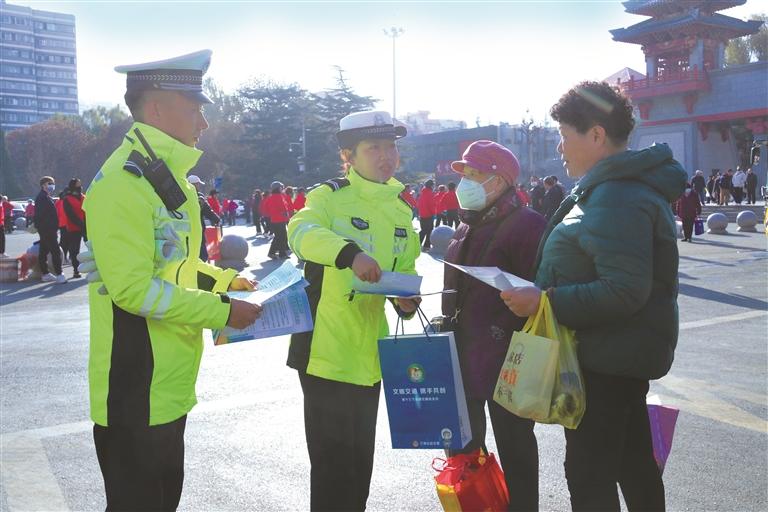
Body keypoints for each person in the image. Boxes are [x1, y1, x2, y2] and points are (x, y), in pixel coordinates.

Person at [82, 49, 262, 511]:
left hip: (169, 385)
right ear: (157, 107)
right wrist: (222, 311)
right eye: (195, 108)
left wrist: (226, 281)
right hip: (135, 387)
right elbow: (133, 290)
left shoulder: (167, 178)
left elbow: (176, 265)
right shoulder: (123, 184)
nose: (203, 123)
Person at [500, 81, 686, 512]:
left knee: (590, 476)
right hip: (614, 357)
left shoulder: (617, 196)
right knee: (633, 465)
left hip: (606, 363)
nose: (560, 148)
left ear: (597, 135)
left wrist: (544, 301)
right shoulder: (610, 190)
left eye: (565, 136)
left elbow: (624, 290)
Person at [286, 110, 421, 512]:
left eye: (391, 146)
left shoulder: (400, 210)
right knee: (330, 468)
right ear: (349, 154)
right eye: (374, 147)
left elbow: (406, 269)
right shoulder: (328, 196)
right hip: (326, 353)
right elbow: (301, 232)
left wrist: (406, 300)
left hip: (371, 358)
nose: (386, 156)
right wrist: (349, 253)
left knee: (360, 465)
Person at [443, 140, 546, 510]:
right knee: (463, 452)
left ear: (500, 181)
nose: (465, 182)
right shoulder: (464, 226)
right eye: (464, 174)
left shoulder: (528, 225)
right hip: (461, 356)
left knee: (515, 447)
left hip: (509, 361)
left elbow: (541, 291)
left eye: (475, 174)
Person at [34, 177, 67, 283]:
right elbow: (41, 215)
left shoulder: (45, 196)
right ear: (43, 185)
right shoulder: (42, 197)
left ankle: (45, 273)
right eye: (50, 183)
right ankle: (59, 274)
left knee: (43, 251)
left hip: (46, 229)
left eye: (53, 183)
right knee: (55, 251)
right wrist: (47, 228)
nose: (52, 185)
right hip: (47, 229)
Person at [188, 174, 220, 261]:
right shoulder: (199, 197)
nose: (199, 186)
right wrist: (216, 219)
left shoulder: (182, 195)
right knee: (201, 253)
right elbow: (208, 211)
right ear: (193, 185)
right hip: (197, 228)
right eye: (197, 184)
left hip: (187, 229)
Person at [261, 181, 292, 259]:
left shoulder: (270, 197)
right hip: (280, 220)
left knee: (279, 236)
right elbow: (284, 208)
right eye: (281, 187)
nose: (282, 189)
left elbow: (265, 208)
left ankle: (280, 253)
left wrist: (271, 214)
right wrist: (287, 217)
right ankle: (275, 253)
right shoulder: (279, 196)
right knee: (281, 236)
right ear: (278, 188)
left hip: (274, 220)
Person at [62, 178, 86, 278]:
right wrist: (80, 224)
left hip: (86, 226)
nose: (80, 187)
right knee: (74, 249)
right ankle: (76, 269)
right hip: (73, 227)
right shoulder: (67, 199)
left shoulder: (84, 197)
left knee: (92, 247)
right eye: (78, 185)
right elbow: (70, 214)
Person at [417, 179, 436, 250]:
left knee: (423, 230)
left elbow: (419, 203)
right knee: (429, 230)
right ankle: (426, 245)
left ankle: (418, 243)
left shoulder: (422, 192)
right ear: (431, 185)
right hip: (428, 214)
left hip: (422, 214)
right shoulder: (430, 193)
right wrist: (434, 212)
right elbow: (431, 204)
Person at [56, 189, 69, 263]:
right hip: (66, 224)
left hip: (62, 224)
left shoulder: (58, 202)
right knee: (65, 242)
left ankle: (63, 257)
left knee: (64, 241)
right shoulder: (65, 201)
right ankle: (63, 257)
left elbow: (56, 212)